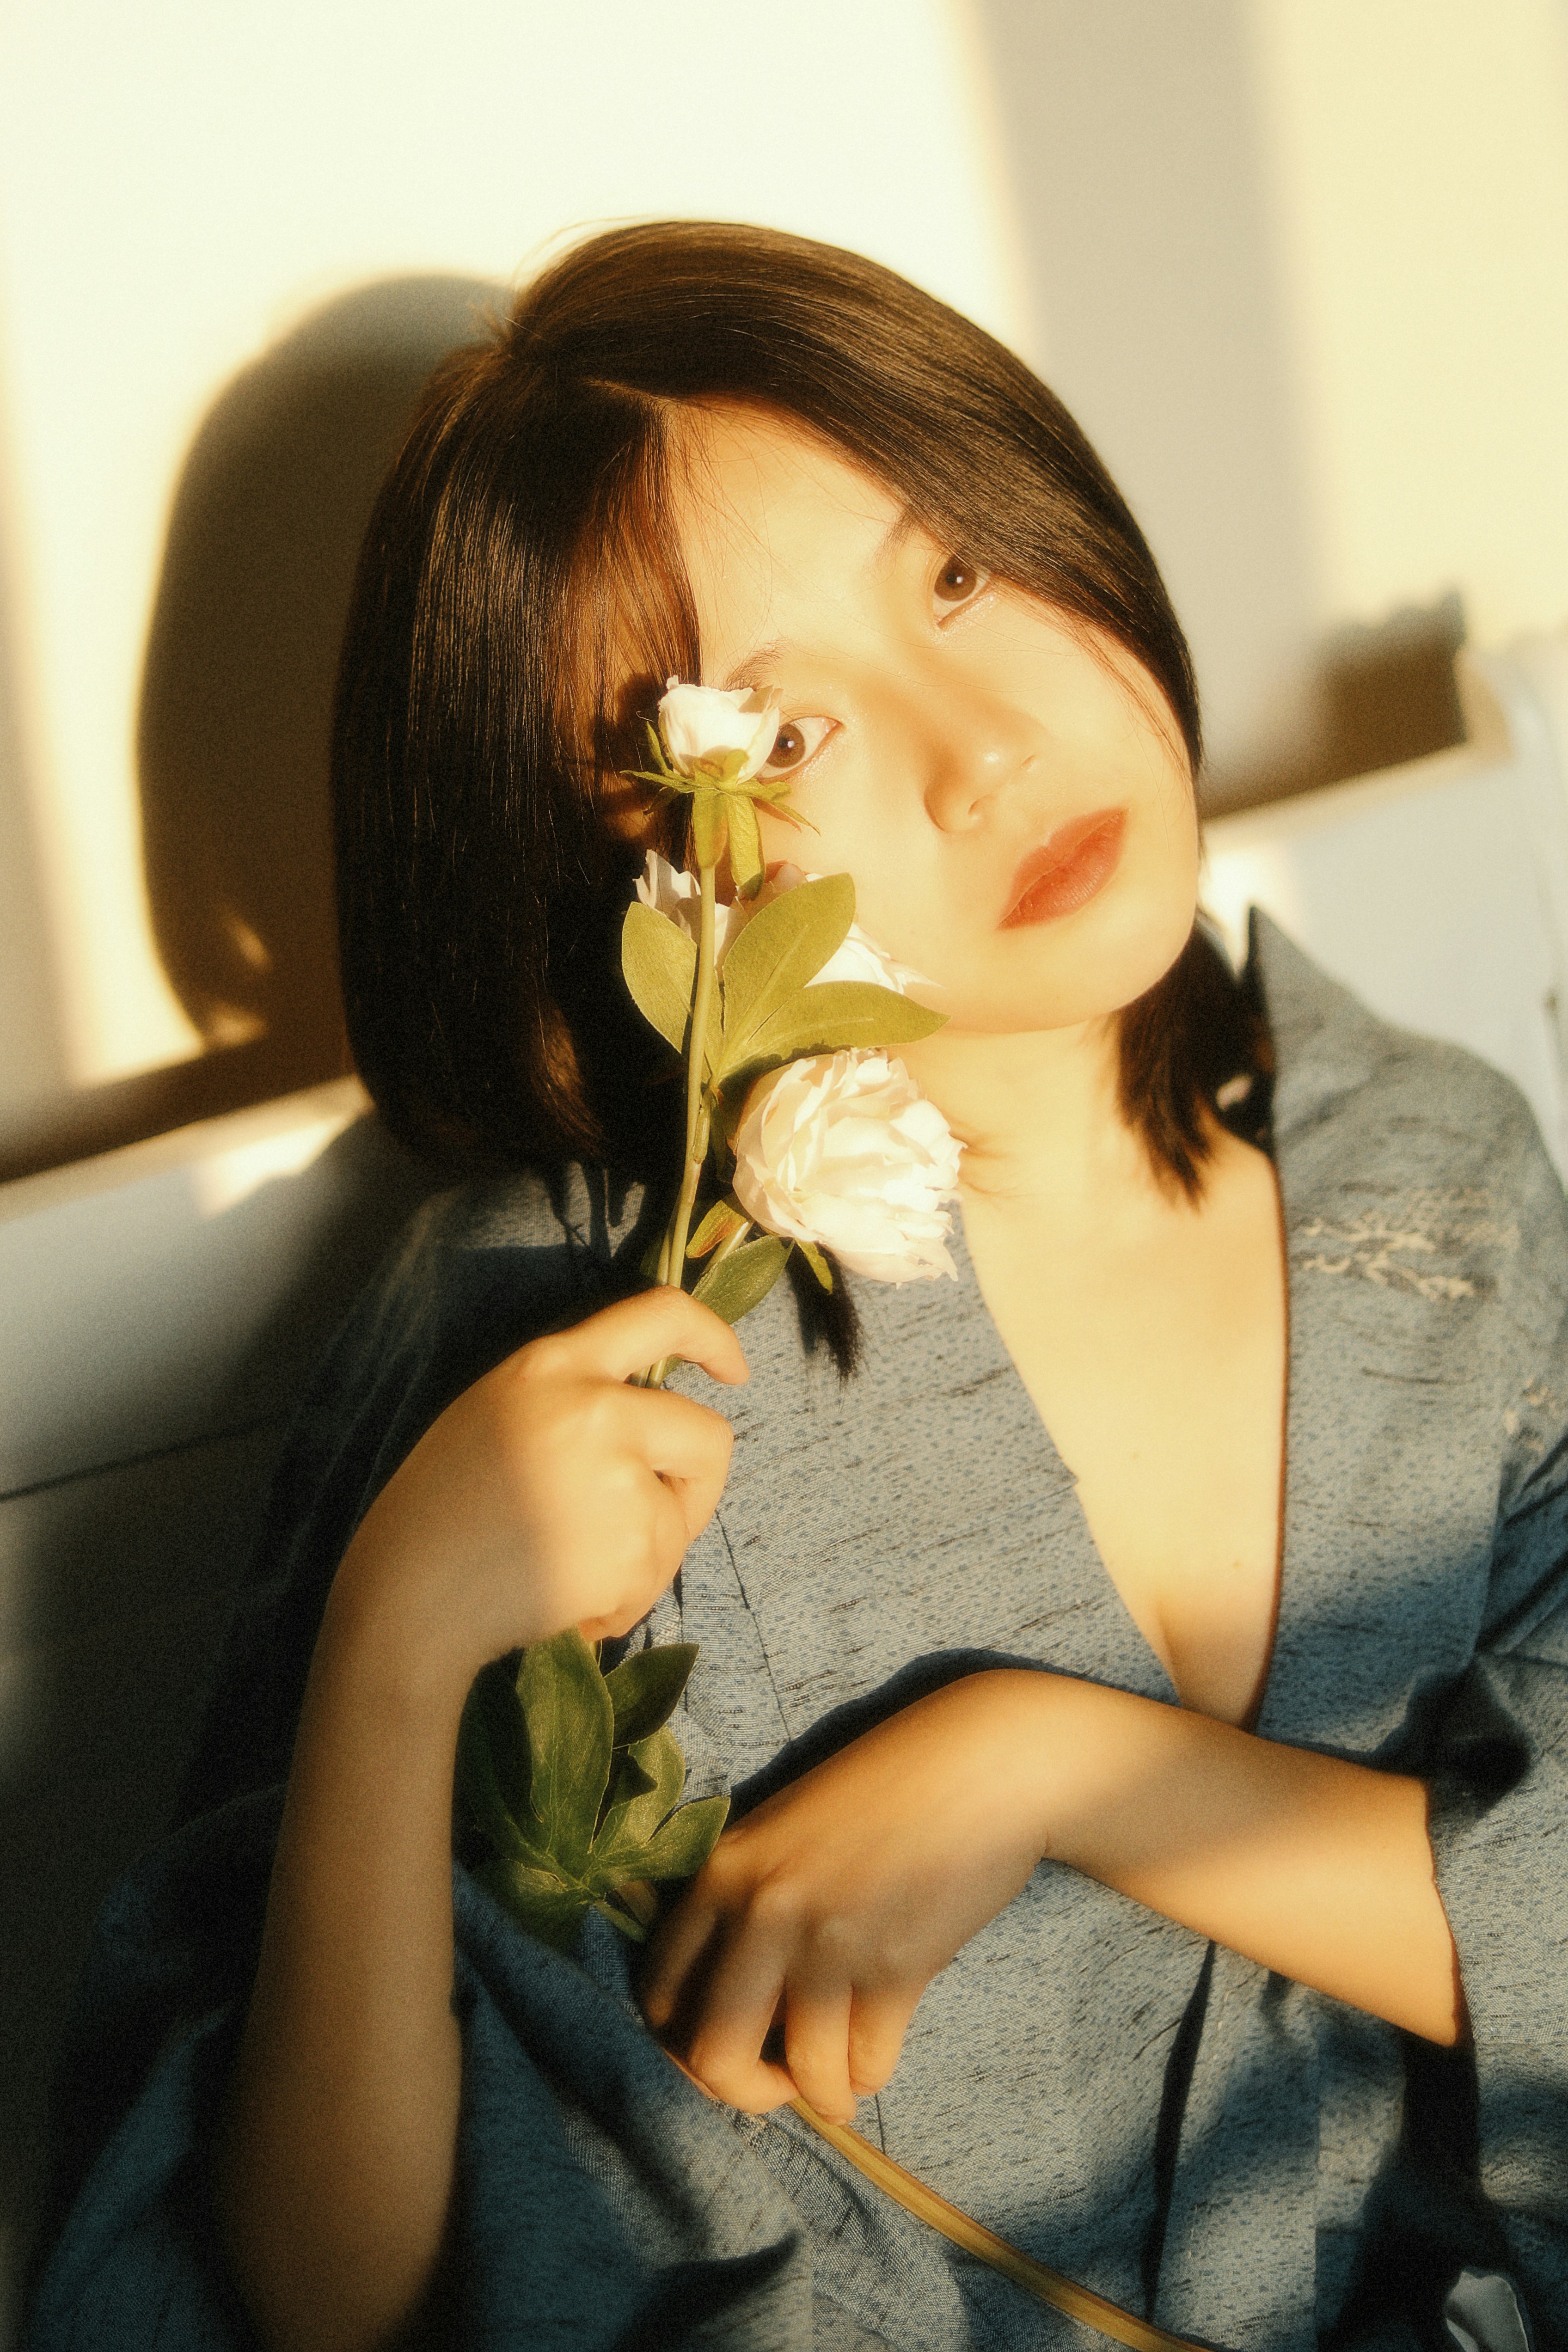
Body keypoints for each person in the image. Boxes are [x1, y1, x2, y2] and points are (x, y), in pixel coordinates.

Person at [25, 222, 1568, 2352]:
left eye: (956, 570)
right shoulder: (585, 1327)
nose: (986, 747)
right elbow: (329, 2298)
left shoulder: (1441, 1179)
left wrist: (1059, 1771)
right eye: (781, 727)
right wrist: (391, 1654)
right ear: (631, 862)